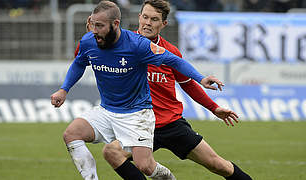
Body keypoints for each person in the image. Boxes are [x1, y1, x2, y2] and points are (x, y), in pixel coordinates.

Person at [81, 0, 252, 179]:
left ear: (163, 24)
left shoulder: (169, 52)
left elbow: (188, 84)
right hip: (138, 124)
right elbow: (95, 47)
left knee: (218, 165)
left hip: (171, 124)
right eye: (145, 17)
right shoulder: (121, 44)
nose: (148, 23)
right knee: (112, 152)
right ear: (139, 17)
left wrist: (213, 108)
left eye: (154, 19)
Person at [51, 1, 222, 180]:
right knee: (71, 134)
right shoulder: (89, 40)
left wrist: (201, 78)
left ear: (115, 24)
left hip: (137, 115)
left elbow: (174, 61)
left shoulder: (138, 45)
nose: (94, 30)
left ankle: (168, 178)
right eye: (93, 25)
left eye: (100, 26)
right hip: (107, 110)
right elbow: (79, 62)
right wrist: (64, 89)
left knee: (146, 166)